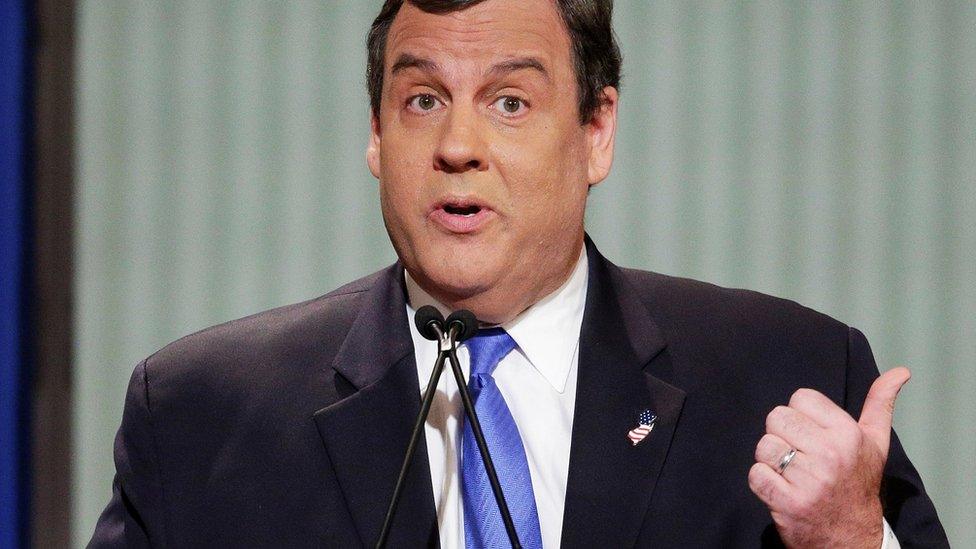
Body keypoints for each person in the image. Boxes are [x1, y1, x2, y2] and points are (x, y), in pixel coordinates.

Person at [89, 0, 948, 547]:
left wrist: (852, 542)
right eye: (422, 99)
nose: (458, 147)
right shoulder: (203, 415)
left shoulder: (784, 378)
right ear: (377, 136)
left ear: (596, 131)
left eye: (509, 102)